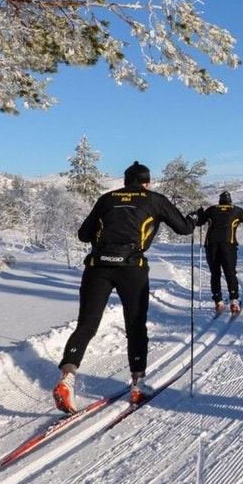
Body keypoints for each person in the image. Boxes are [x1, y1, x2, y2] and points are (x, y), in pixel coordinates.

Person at [53, 160, 194, 411]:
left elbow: (84, 235)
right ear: (147, 182)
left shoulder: (107, 198)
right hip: (132, 268)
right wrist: (194, 219)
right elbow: (183, 229)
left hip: (98, 266)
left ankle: (67, 380)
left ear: (126, 181)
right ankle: (138, 385)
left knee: (86, 325)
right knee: (136, 326)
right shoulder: (154, 199)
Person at [191, 191, 243, 315]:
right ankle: (234, 301)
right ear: (230, 200)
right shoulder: (236, 210)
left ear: (220, 201)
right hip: (229, 244)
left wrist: (200, 212)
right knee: (230, 272)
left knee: (215, 272)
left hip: (211, 245)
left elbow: (199, 222)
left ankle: (218, 301)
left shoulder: (211, 210)